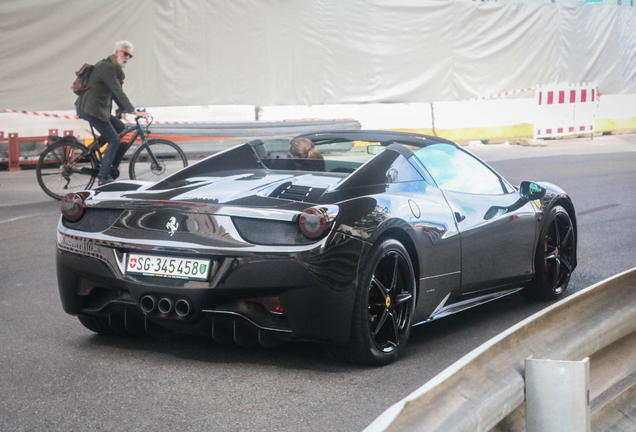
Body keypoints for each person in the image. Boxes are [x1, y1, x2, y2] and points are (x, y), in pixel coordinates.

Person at [75, 40, 148, 186]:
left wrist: (123, 112)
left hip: (98, 108)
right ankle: (103, 177)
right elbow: (117, 91)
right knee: (114, 139)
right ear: (116, 52)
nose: (127, 57)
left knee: (120, 127)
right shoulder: (106, 67)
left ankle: (94, 149)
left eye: (130, 56)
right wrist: (133, 111)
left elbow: (114, 94)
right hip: (91, 109)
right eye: (125, 54)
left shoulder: (114, 69)